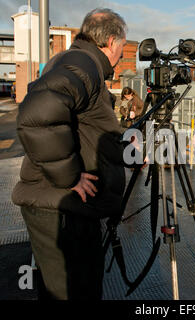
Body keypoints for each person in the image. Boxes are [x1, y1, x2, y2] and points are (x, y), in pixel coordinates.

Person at [12, 8, 128, 300]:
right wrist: (70, 177)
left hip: (61, 205)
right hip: (61, 207)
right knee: (73, 292)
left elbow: (77, 123)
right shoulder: (82, 64)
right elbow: (37, 114)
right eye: (122, 48)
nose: (122, 55)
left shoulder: (74, 59)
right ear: (112, 41)